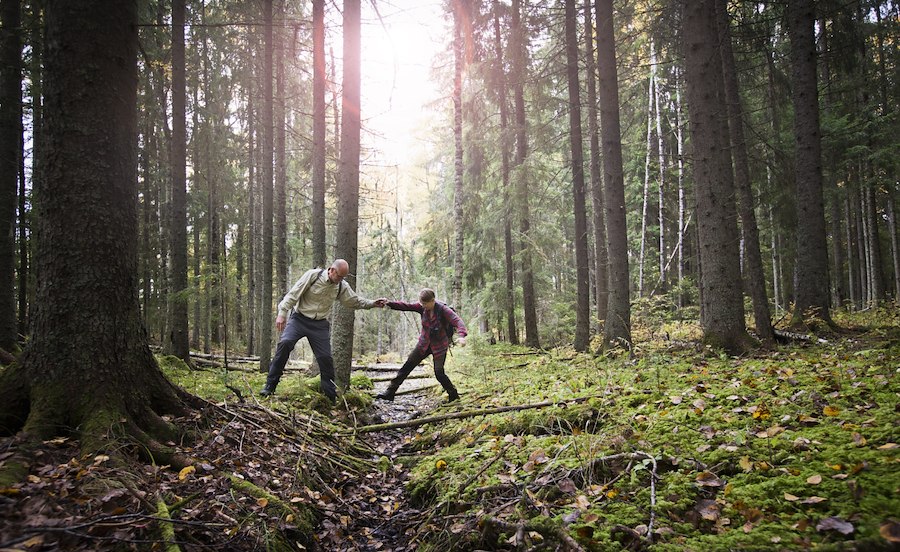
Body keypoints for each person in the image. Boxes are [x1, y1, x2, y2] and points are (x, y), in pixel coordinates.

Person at [260, 259, 386, 401]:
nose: (340, 280)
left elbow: (353, 300)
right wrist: (282, 313)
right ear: (331, 270)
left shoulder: (341, 286)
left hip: (319, 325)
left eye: (343, 278)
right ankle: (269, 386)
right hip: (299, 319)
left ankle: (330, 396)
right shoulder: (313, 276)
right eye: (339, 276)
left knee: (325, 358)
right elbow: (294, 293)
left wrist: (372, 303)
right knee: (285, 344)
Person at [376, 288, 467, 402]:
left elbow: (458, 321)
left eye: (425, 304)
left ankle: (453, 395)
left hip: (439, 346)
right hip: (423, 344)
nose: (423, 306)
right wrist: (388, 303)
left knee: (439, 373)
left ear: (432, 300)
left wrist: (462, 336)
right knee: (407, 366)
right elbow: (406, 306)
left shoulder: (443, 310)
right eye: (421, 303)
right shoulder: (421, 307)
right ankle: (390, 393)